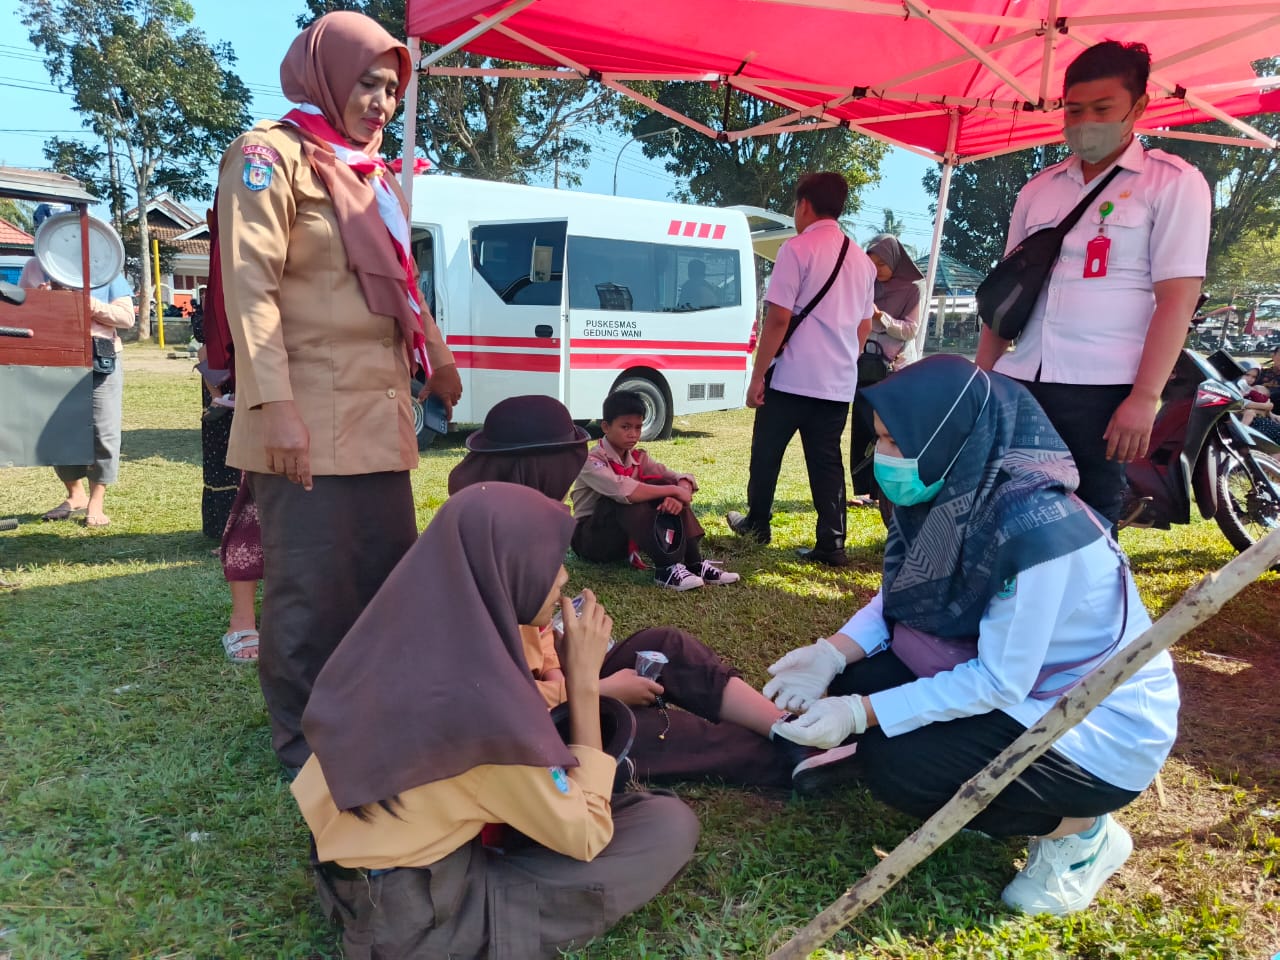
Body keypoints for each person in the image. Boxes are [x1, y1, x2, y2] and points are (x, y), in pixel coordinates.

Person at [766, 355, 1180, 917]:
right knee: (856, 677)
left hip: (1093, 727)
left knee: (901, 764)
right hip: (1023, 680)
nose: (882, 458)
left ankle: (1082, 833)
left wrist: (861, 714)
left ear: (951, 436)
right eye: (881, 440)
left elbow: (999, 681)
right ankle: (984, 781)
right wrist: (830, 653)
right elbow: (903, 595)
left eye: (895, 442)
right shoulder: (964, 487)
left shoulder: (1036, 532)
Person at [292, 483, 701, 959]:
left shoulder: (395, 632)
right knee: (666, 824)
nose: (564, 577)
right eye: (552, 565)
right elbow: (586, 835)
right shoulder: (480, 708)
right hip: (416, 922)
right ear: (505, 570)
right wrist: (584, 682)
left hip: (352, 876)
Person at [217, 11, 463, 771]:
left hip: (379, 418)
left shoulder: (370, 174)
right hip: (307, 417)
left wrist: (439, 357)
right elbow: (248, 289)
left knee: (385, 584)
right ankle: (301, 745)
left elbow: (402, 288)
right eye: (367, 82)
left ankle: (366, 718)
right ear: (324, 73)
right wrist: (275, 409)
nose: (381, 101)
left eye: (391, 89)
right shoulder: (269, 156)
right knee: (309, 595)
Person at [449, 395, 859, 792]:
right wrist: (595, 691)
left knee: (665, 645)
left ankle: (785, 726)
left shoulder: (518, 513)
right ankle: (795, 755)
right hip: (516, 726)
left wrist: (567, 672)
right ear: (539, 467)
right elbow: (484, 697)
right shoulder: (486, 537)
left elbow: (537, 642)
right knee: (648, 731)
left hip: (557, 687)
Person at [975, 41, 1211, 525]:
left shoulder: (1171, 183)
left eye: (1102, 109)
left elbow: (1176, 301)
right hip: (1022, 381)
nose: (1085, 123)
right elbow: (1004, 298)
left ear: (1138, 107)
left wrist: (1144, 397)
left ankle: (1084, 604)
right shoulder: (1039, 190)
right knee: (1009, 507)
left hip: (1105, 390)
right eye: (1074, 109)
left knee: (1089, 517)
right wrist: (983, 378)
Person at [726, 172, 877, 565]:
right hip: (836, 383)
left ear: (804, 205)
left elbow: (778, 318)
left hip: (792, 377)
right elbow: (864, 326)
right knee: (827, 462)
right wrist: (844, 358)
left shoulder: (796, 249)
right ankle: (833, 542)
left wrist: (757, 375)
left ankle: (758, 524)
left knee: (767, 453)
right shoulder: (862, 261)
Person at [23, 203, 135, 529]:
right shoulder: (35, 267)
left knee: (103, 429)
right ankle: (75, 494)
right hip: (55, 357)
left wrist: (89, 304)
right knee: (57, 431)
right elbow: (27, 317)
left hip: (101, 356)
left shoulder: (104, 265)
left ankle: (96, 500)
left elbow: (126, 317)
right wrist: (45, 301)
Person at [570, 390, 738, 590]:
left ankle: (694, 563)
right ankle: (666, 568)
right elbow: (623, 490)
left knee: (660, 489)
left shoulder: (638, 457)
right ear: (606, 426)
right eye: (625, 427)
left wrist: (679, 494)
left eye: (638, 427)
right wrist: (673, 491)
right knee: (627, 497)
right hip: (591, 540)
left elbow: (681, 477)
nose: (633, 434)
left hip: (624, 538)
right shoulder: (592, 460)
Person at [849, 233, 924, 508]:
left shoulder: (912, 289)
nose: (876, 269)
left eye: (882, 263)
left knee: (889, 433)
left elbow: (911, 329)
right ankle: (867, 491)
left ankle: (889, 493)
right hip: (863, 368)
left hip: (895, 372)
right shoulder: (865, 285)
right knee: (863, 428)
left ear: (895, 260)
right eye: (872, 263)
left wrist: (882, 318)